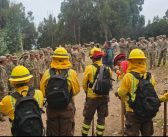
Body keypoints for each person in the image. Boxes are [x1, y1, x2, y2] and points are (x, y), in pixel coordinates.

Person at [115, 49, 159, 136]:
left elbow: (121, 93)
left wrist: (118, 91)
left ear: (131, 61)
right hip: (147, 110)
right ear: (143, 61)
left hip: (132, 112)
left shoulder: (128, 77)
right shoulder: (150, 76)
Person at [40, 47, 80, 136]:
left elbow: (42, 92)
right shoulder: (71, 73)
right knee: (66, 132)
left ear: (53, 58)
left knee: (52, 133)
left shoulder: (47, 73)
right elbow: (76, 91)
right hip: (67, 108)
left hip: (51, 109)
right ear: (66, 58)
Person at [0, 66, 44, 135]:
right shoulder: (39, 93)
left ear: (12, 82)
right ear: (29, 80)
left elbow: (2, 111)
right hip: (36, 131)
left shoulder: (7, 99)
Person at [81, 47, 112, 136]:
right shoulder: (108, 69)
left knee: (87, 118)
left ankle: (84, 134)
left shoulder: (89, 68)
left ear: (93, 58)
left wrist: (87, 92)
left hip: (92, 98)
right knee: (101, 118)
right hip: (104, 97)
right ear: (100, 58)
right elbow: (108, 84)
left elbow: (84, 83)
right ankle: (99, 134)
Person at [0, 56, 8, 122]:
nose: (7, 61)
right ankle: (0, 115)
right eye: (5, 60)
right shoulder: (0, 68)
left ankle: (3, 113)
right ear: (3, 61)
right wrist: (3, 88)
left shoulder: (2, 67)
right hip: (2, 88)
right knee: (1, 101)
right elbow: (1, 79)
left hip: (4, 86)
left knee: (3, 100)